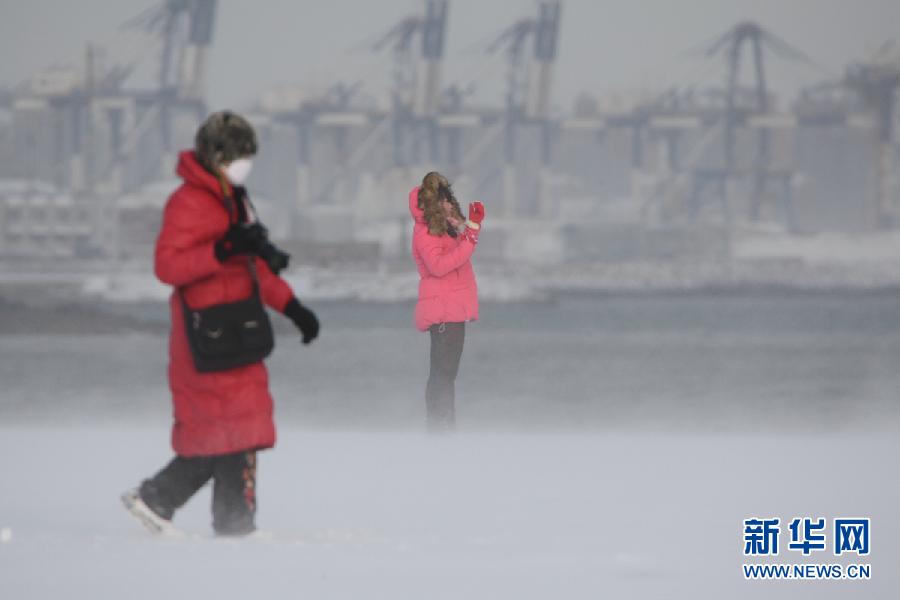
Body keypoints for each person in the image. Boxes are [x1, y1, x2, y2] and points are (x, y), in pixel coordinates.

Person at [121, 111, 320, 536]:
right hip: (205, 337)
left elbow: (251, 270)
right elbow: (167, 266)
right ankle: (161, 499)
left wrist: (293, 307)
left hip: (241, 333)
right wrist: (222, 249)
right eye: (238, 155)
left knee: (242, 428)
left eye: (248, 155)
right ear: (215, 156)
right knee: (219, 432)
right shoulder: (188, 202)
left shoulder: (236, 199)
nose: (244, 163)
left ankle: (233, 525)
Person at [409, 172, 485, 431]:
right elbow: (439, 266)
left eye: (450, 200)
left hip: (450, 309)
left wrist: (472, 228)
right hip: (443, 311)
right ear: (433, 204)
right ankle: (439, 426)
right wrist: (471, 237)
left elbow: (456, 255)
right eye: (444, 201)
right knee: (443, 373)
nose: (450, 205)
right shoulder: (425, 232)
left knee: (446, 373)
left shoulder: (442, 230)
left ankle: (444, 425)